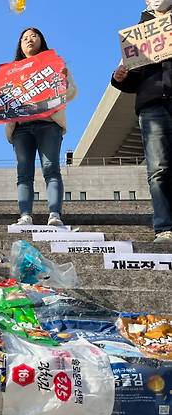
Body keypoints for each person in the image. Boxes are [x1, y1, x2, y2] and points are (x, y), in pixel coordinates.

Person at [112, 0, 172, 243]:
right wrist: (119, 77)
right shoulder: (138, 32)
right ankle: (165, 226)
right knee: (158, 169)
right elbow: (131, 75)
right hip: (151, 103)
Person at [6, 28, 77, 227]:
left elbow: (72, 92)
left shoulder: (55, 64)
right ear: (20, 44)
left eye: (34, 36)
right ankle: (25, 215)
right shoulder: (10, 71)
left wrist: (61, 81)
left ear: (42, 41)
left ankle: (55, 214)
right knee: (24, 172)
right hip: (21, 128)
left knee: (51, 168)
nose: (29, 39)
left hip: (48, 124)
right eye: (25, 37)